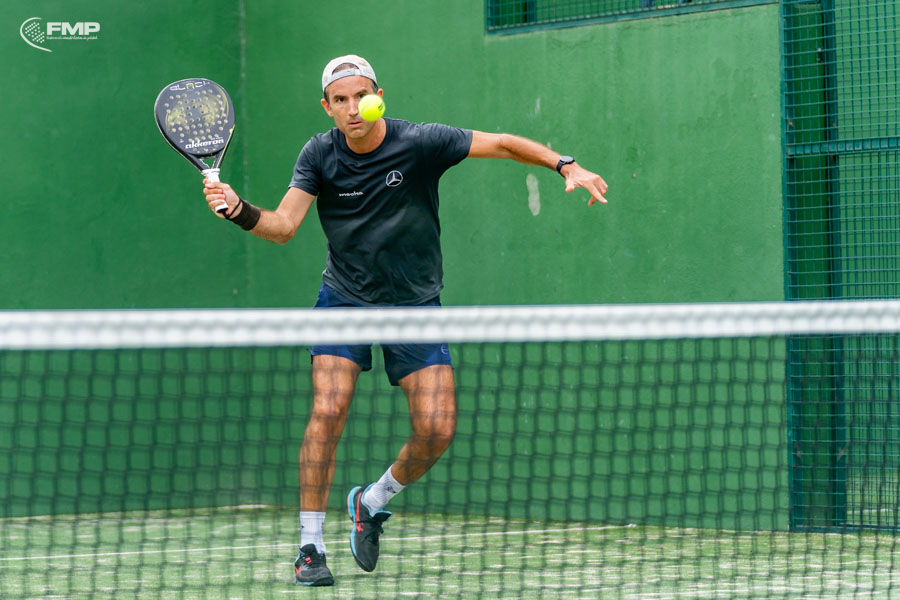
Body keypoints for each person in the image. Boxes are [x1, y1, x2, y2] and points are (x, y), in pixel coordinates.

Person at [202, 54, 608, 587]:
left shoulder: (419, 142)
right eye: (340, 100)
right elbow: (282, 227)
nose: (353, 108)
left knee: (437, 429)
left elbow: (505, 143)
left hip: (414, 303)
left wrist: (565, 165)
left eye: (360, 96)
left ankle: (371, 502)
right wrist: (238, 209)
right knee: (328, 409)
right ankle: (310, 546)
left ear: (378, 96)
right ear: (327, 107)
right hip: (345, 299)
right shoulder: (319, 154)